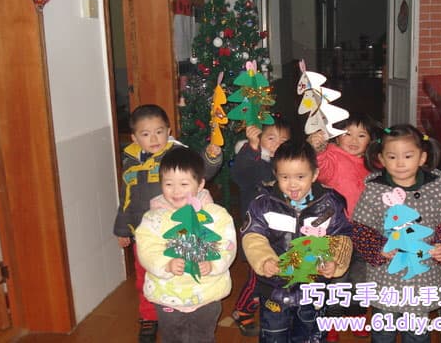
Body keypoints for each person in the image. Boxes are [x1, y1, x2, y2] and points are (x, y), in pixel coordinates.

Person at [112, 104, 222, 343]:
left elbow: (201, 171)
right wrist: (122, 228)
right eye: (145, 134)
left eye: (159, 131)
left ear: (168, 130)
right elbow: (126, 197)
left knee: (179, 270)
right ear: (134, 137)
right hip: (145, 234)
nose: (154, 139)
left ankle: (186, 308)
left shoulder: (175, 155)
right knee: (145, 277)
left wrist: (212, 156)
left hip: (176, 231)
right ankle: (149, 317)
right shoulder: (131, 161)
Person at [352, 124, 441, 342]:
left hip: (422, 274)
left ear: (422, 157)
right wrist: (378, 249)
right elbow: (361, 228)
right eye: (392, 157)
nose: (400, 163)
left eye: (408, 156)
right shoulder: (375, 190)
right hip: (385, 275)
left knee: (417, 331)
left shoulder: (434, 189)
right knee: (383, 328)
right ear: (381, 159)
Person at [242, 140, 353, 342]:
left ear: (315, 174)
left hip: (314, 289)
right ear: (275, 175)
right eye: (285, 177)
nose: (292, 184)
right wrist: (264, 260)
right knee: (273, 336)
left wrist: (335, 261)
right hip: (275, 289)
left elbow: (342, 236)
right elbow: (253, 236)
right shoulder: (264, 203)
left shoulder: (330, 203)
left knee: (311, 335)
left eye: (300, 177)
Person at [135, 147, 237, 343]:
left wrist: (214, 264)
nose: (176, 190)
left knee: (203, 336)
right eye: (168, 184)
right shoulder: (153, 218)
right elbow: (147, 247)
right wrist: (166, 264)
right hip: (167, 293)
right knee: (172, 336)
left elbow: (227, 243)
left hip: (207, 293)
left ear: (200, 185)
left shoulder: (216, 215)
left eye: (184, 183)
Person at [307, 112, 381, 341]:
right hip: (337, 233)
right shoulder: (332, 155)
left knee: (362, 278)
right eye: (347, 133)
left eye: (361, 135)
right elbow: (321, 167)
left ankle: (357, 316)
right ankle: (333, 322)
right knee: (337, 278)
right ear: (336, 136)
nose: (353, 139)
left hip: (366, 231)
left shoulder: (374, 163)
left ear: (370, 140)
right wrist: (318, 148)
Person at [230, 117, 291, 336]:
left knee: (272, 273)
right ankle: (242, 310)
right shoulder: (255, 161)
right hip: (255, 231)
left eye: (283, 140)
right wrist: (252, 148)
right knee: (258, 275)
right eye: (271, 138)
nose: (276, 144)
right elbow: (239, 175)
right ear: (259, 138)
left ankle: (266, 305)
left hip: (280, 232)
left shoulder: (285, 165)